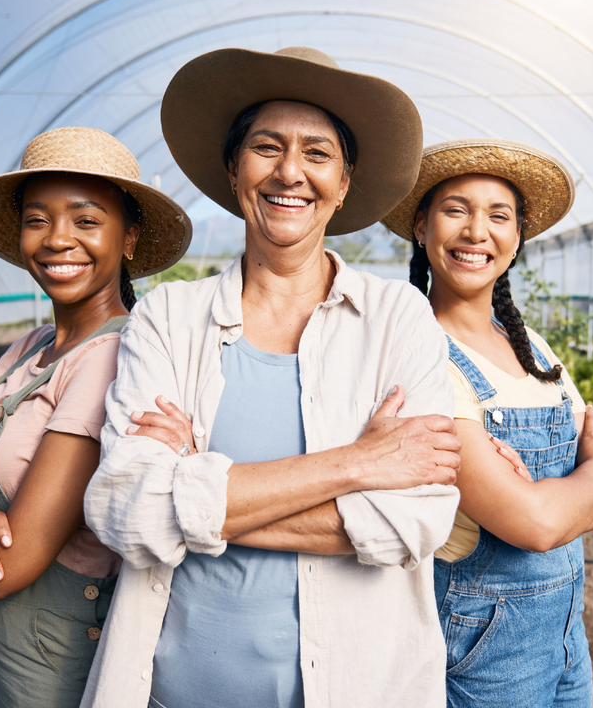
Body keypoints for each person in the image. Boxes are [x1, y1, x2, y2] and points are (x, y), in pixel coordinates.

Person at [79, 47, 462, 708]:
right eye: (266, 147)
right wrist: (357, 464)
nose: (290, 171)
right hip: (181, 689)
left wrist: (197, 486)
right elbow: (125, 511)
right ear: (234, 170)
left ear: (344, 182)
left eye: (317, 153)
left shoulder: (398, 317)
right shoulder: (168, 318)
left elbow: (417, 519)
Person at [0, 126, 192, 708]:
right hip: (13, 654)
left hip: (60, 655)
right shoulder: (30, 348)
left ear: (129, 238)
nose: (58, 239)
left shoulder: (112, 355)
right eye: (38, 220)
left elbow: (10, 567)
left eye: (86, 221)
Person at [382, 138, 593, 707]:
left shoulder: (531, 346)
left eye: (498, 215)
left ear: (517, 238)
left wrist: (575, 490)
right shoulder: (420, 356)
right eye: (455, 210)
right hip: (483, 640)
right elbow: (537, 525)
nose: (476, 232)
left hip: (567, 631)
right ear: (421, 228)